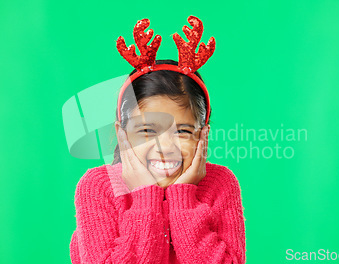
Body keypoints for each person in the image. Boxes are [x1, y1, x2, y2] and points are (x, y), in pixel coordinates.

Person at [69, 16, 246, 264]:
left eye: (183, 131)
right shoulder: (99, 187)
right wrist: (145, 196)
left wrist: (182, 197)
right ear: (122, 135)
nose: (165, 148)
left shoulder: (220, 184)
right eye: (147, 131)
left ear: (203, 136)